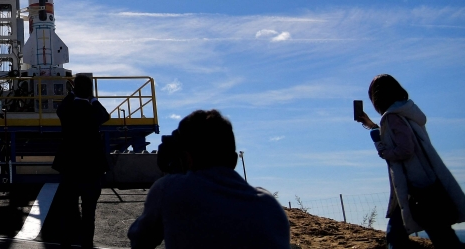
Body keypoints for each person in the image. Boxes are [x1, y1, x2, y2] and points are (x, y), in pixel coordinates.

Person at [128, 109, 290, 249]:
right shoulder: (269, 205)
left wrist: (176, 173)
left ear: (187, 159)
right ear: (234, 160)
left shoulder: (169, 189)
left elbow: (140, 241)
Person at [355, 74, 465, 248]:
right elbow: (399, 138)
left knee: (400, 235)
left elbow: (405, 150)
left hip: (414, 186)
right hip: (427, 181)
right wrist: (372, 126)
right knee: (440, 234)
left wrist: (383, 151)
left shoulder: (391, 117)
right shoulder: (408, 113)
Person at [51, 73, 111, 249]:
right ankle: (87, 244)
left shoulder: (68, 110)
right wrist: (93, 99)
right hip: (92, 169)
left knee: (68, 211)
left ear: (75, 89)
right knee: (89, 213)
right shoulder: (93, 111)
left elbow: (60, 110)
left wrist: (72, 93)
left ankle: (66, 243)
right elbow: (105, 116)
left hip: (70, 168)